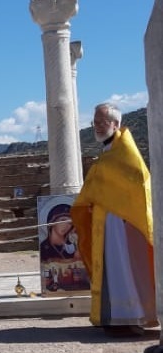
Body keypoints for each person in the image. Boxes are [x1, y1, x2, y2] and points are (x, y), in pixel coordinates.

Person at [71, 103, 157, 337]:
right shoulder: (107, 153)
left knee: (124, 269)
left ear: (116, 124)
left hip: (121, 224)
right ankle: (113, 317)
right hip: (104, 223)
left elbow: (139, 183)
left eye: (102, 121)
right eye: (95, 122)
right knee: (109, 269)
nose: (97, 126)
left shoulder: (126, 153)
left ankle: (131, 316)